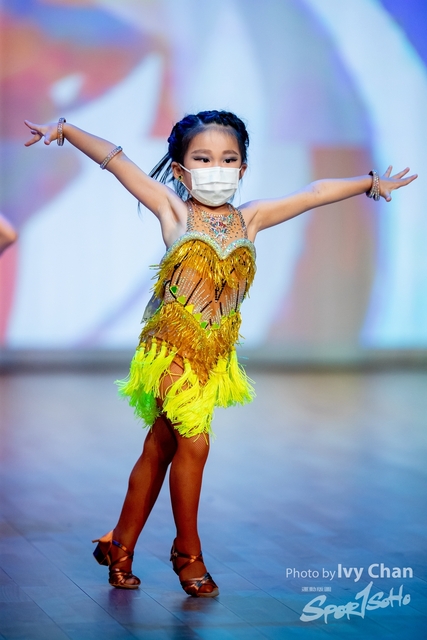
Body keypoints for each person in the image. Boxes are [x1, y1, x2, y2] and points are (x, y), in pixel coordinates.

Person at [24, 111, 417, 597]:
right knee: (195, 444)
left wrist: (371, 183)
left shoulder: (251, 218)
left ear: (243, 167)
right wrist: (64, 130)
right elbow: (116, 160)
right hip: (169, 350)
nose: (217, 168)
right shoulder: (173, 210)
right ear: (181, 168)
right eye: (203, 158)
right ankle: (187, 551)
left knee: (160, 448)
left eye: (229, 159)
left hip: (214, 358)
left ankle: (119, 544)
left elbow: (313, 193)